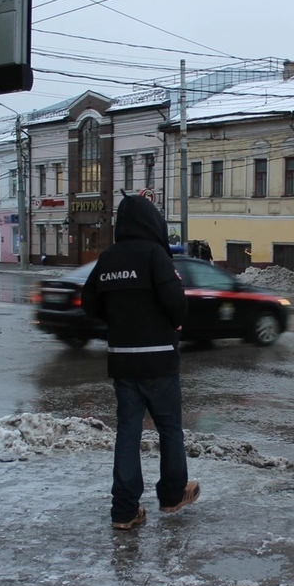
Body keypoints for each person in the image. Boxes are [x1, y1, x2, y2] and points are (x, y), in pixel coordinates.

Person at [84, 195, 200, 531]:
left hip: (122, 362)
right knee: (169, 429)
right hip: (159, 360)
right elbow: (177, 305)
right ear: (153, 223)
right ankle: (172, 494)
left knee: (128, 433)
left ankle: (124, 510)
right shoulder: (155, 255)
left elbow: (90, 303)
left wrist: (119, 319)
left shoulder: (108, 258)